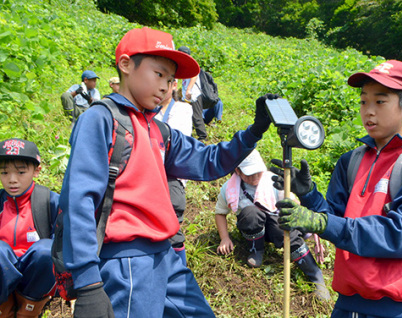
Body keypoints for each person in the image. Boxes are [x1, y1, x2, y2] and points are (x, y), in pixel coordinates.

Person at [58, 26, 275, 318]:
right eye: (159, 74)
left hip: (168, 256)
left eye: (171, 80)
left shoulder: (158, 130)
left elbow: (207, 160)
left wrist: (253, 133)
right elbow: (78, 201)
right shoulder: (101, 120)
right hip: (127, 261)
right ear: (125, 64)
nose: (166, 86)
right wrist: (88, 284)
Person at [272, 60, 402, 317]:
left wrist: (320, 222)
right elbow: (336, 221)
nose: (369, 111)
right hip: (348, 303)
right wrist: (309, 195)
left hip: (400, 308)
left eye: (380, 102)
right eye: (363, 101)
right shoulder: (351, 161)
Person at [215, 149, 331, 300]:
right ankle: (256, 250)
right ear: (237, 171)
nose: (255, 177)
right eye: (249, 174)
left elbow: (292, 206)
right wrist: (224, 238)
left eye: (258, 172)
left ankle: (315, 276)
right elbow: (220, 213)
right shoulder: (229, 188)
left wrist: (310, 231)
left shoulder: (273, 181)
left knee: (282, 226)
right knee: (250, 212)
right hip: (253, 227)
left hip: (277, 224)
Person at [0, 138, 59, 318]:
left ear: (36, 170)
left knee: (47, 249)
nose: (12, 180)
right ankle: (5, 309)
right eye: (4, 172)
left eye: (21, 172)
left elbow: (64, 242)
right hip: (4, 275)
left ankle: (30, 309)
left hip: (36, 277)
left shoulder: (49, 201)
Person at [155, 79, 193, 265]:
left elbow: (176, 143)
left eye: (167, 81)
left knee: (171, 227)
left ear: (174, 84)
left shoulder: (181, 109)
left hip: (171, 176)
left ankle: (178, 273)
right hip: (148, 176)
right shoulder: (144, 110)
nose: (161, 88)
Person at [177, 46, 208, 141]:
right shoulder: (185, 64)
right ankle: (187, 134)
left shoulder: (192, 64)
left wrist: (188, 90)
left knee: (196, 115)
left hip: (193, 94)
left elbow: (194, 76)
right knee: (186, 114)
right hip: (186, 93)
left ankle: (203, 137)